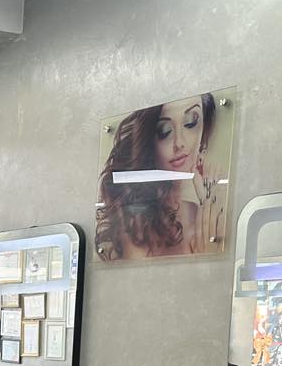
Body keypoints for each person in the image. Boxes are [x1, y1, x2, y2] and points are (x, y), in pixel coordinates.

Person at [96, 92, 224, 260]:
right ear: (149, 141)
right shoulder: (134, 222)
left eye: (191, 122)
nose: (179, 143)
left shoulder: (201, 212)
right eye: (165, 131)